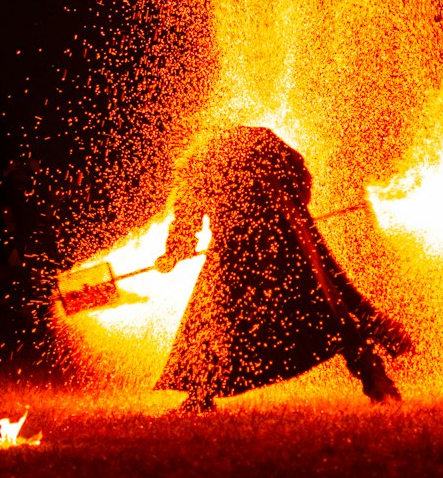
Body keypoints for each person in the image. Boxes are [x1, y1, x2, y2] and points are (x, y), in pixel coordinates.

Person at [153, 125, 412, 412]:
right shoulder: (249, 144)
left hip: (248, 244)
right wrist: (296, 210)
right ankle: (377, 372)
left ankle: (200, 396)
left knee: (215, 320)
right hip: (288, 231)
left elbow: (187, 214)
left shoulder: (198, 164)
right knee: (329, 303)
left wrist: (174, 253)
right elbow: (301, 175)